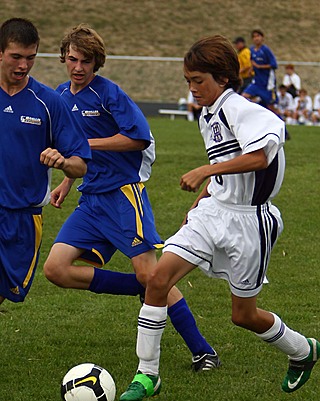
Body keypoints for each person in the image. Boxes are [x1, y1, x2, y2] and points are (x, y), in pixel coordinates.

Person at [120, 35, 320, 401]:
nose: (193, 89)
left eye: (199, 81)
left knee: (242, 315)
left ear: (223, 78)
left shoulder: (241, 109)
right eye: (188, 82)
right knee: (157, 279)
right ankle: (147, 373)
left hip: (249, 222)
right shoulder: (209, 112)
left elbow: (260, 157)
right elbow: (229, 164)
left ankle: (302, 349)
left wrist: (205, 171)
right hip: (214, 214)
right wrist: (207, 192)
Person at [43, 24, 220, 372]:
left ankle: (203, 350)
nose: (79, 67)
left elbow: (138, 138)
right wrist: (66, 181)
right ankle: (138, 290)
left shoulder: (109, 94)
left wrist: (87, 145)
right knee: (55, 269)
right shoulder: (62, 96)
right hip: (91, 200)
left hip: (124, 195)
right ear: (64, 57)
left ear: (97, 63)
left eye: (87, 61)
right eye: (73, 59)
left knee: (152, 274)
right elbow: (74, 154)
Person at [0, 18, 90, 307]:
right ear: (0, 53)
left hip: (21, 218)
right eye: (16, 56)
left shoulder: (49, 103)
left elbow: (81, 165)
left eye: (31, 58)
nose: (23, 65)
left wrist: (63, 162)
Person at [242, 29, 278, 112]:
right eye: (254, 37)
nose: (256, 38)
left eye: (258, 36)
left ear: (262, 38)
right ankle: (257, 102)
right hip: (256, 82)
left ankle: (280, 121)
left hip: (267, 84)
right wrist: (251, 69)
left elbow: (274, 65)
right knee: (244, 96)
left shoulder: (266, 50)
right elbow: (252, 61)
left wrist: (259, 66)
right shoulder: (251, 50)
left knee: (271, 107)